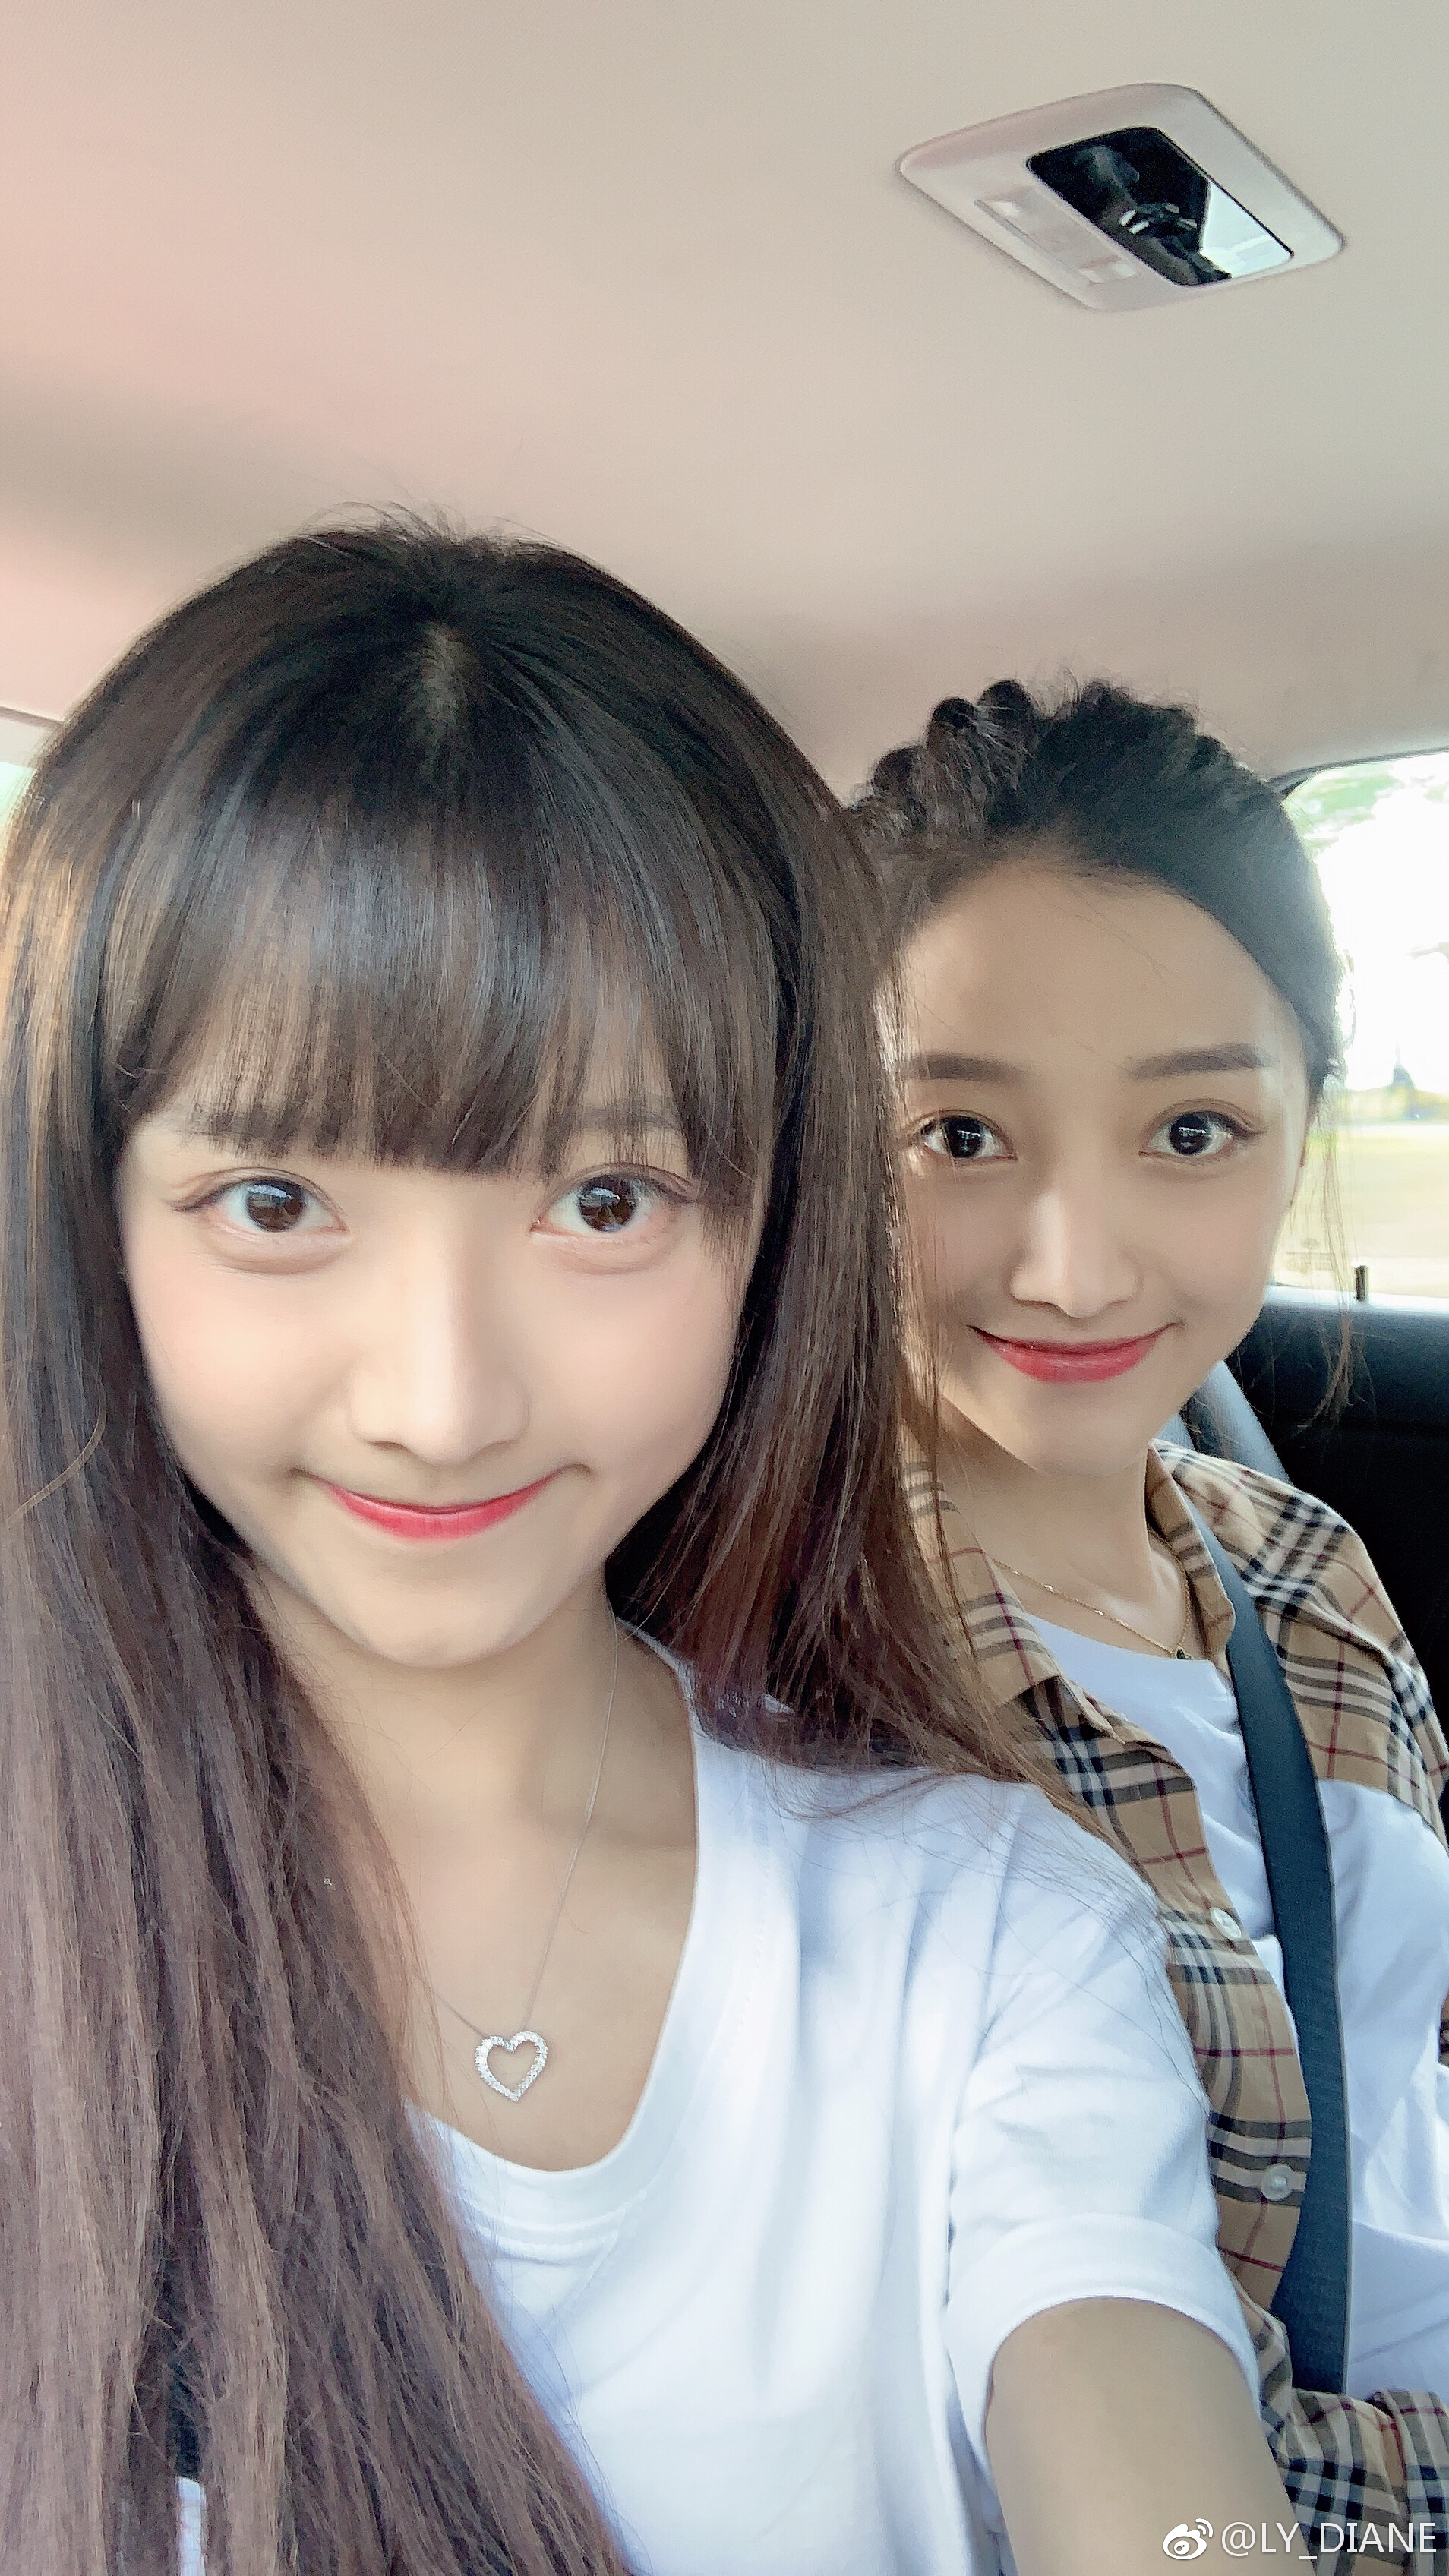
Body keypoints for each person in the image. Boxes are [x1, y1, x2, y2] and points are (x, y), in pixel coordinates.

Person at [0, 530, 1309, 2576]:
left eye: (606, 1199)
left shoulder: (987, 1941)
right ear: (87, 1209)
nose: (443, 1398)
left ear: (775, 1225)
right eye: (274, 1201)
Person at [855, 677, 1449, 2563]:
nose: (1076, 1264)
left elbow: (1399, 2049)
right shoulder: (812, 1688)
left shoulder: (1300, 1568)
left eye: (1191, 1129)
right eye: (958, 1136)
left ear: (1301, 1127)